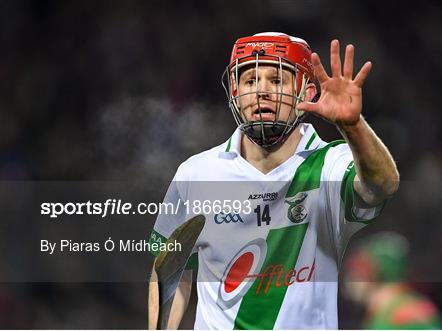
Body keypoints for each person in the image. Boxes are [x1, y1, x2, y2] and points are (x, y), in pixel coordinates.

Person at [148, 32, 399, 329]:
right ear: (235, 91)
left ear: (305, 93)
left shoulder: (332, 165)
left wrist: (354, 127)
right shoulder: (196, 174)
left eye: (277, 80)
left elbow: (383, 185)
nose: (261, 91)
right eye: (250, 81)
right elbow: (170, 272)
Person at [342, 232, 442, 329]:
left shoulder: (408, 312)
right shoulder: (381, 313)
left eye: (358, 271)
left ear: (377, 274)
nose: (349, 279)